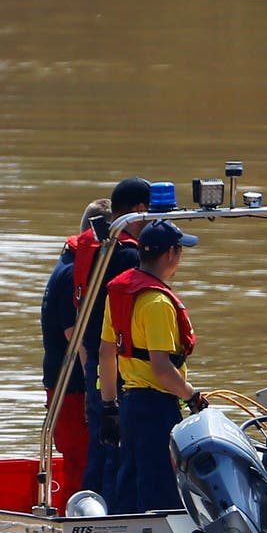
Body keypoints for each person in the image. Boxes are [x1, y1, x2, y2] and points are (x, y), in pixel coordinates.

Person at [98, 218, 205, 513]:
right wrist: (193, 397)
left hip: (129, 406)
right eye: (180, 251)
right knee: (161, 493)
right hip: (157, 409)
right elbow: (161, 368)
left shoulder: (120, 294)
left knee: (129, 487)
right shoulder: (157, 302)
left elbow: (106, 354)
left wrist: (108, 407)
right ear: (171, 253)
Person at [70, 178, 154, 499]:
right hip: (117, 370)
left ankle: (88, 508)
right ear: (139, 210)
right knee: (119, 454)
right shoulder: (128, 257)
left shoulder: (101, 249)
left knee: (101, 449)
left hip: (96, 364)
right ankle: (113, 517)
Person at [38, 197, 112, 506]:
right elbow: (77, 340)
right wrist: (96, 395)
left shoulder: (68, 265)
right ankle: (75, 529)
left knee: (83, 462)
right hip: (73, 391)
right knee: (81, 465)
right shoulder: (72, 276)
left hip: (67, 387)